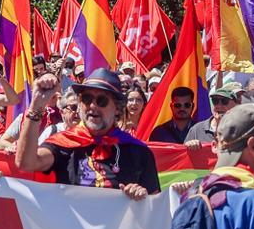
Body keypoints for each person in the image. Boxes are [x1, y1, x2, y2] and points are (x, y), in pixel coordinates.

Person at [15, 68, 159, 198]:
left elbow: (155, 206)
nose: (92, 106)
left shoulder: (138, 151)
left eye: (101, 101)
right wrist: (36, 106)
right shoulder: (64, 143)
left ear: (117, 108)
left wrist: (142, 198)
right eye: (87, 99)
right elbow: (26, 163)